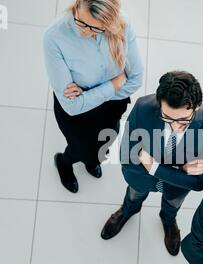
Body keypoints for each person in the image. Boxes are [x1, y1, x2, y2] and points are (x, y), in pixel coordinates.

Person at [101, 71, 203, 256]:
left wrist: (154, 166)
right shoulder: (143, 107)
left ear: (197, 106)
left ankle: (168, 222)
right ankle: (127, 211)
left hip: (175, 187)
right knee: (133, 197)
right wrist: (181, 170)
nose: (174, 126)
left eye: (183, 120)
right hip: (142, 178)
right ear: (159, 104)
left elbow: (200, 183)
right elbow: (126, 156)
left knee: (171, 206)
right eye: (168, 118)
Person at [43, 0, 144, 193]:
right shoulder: (54, 38)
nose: (87, 33)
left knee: (105, 141)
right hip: (78, 117)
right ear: (78, 3)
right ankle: (64, 163)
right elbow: (72, 107)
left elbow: (135, 80)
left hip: (112, 107)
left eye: (98, 29)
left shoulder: (121, 23)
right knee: (79, 149)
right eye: (83, 23)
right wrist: (114, 84)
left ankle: (91, 160)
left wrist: (87, 96)